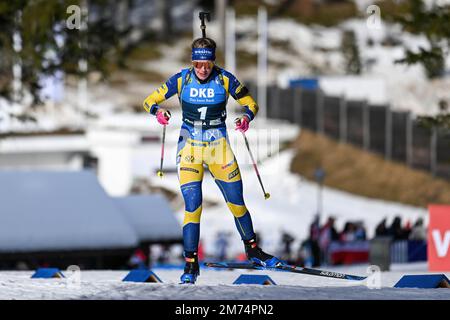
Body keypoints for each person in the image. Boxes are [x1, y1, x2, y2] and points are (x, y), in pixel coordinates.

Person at [142, 37, 282, 284]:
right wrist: (159, 113)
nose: (202, 69)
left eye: (207, 64)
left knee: (237, 202)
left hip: (219, 148)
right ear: (192, 62)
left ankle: (253, 250)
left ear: (214, 61)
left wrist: (247, 117)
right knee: (193, 205)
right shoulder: (181, 79)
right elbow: (148, 101)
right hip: (190, 148)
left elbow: (251, 103)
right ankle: (190, 263)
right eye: (198, 64)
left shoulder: (225, 79)